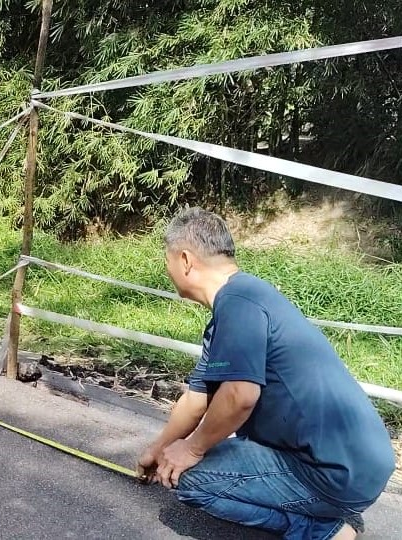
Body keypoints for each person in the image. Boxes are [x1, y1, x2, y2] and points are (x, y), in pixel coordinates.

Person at [138, 207, 395, 539]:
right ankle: (327, 512)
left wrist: (191, 449)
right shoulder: (240, 304)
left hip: (331, 472)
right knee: (191, 458)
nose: (168, 270)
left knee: (191, 480)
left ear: (185, 260)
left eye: (168, 261)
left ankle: (324, 527)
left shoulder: (238, 303)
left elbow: (240, 397)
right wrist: (158, 450)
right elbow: (196, 400)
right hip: (352, 464)